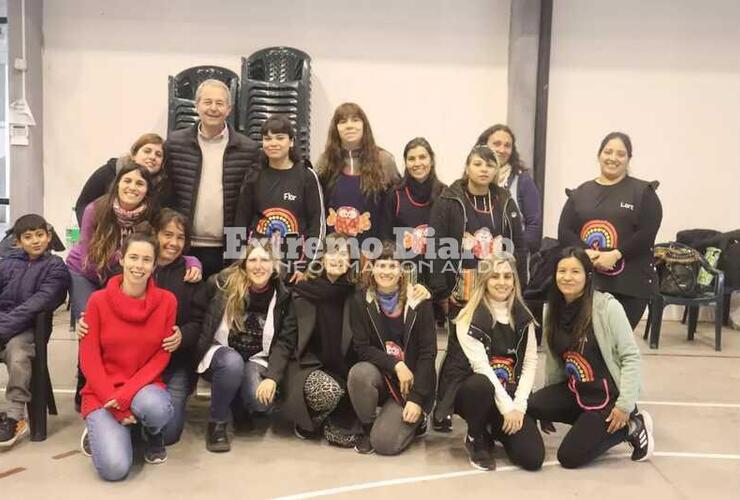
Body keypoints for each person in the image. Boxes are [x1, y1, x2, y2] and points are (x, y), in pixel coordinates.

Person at [67, 163, 198, 408]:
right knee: (89, 330)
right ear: (117, 184)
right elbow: (89, 254)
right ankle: (89, 389)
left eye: (140, 183)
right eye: (127, 181)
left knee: (166, 427)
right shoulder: (97, 209)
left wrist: (191, 259)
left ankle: (126, 393)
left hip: (121, 270)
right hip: (88, 270)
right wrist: (96, 309)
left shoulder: (150, 217)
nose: (133, 187)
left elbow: (168, 243)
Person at [76, 209, 205, 449]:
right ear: (154, 235)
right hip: (122, 366)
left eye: (180, 237)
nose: (174, 242)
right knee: (115, 461)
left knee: (169, 433)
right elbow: (101, 313)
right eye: (168, 234)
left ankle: (133, 428)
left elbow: (200, 323)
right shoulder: (122, 273)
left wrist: (182, 336)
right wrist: (86, 322)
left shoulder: (191, 274)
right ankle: (108, 427)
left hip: (170, 363)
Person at [527, 247, 654, 468]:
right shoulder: (551, 310)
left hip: (608, 396)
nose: (567, 277)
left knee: (569, 457)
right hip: (578, 391)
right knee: (534, 404)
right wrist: (549, 398)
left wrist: (624, 405)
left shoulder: (607, 307)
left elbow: (630, 357)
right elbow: (555, 361)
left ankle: (631, 426)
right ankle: (591, 427)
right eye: (562, 271)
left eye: (575, 271)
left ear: (587, 275)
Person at [429, 145, 527, 432]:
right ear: (467, 167)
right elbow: (436, 246)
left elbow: (519, 247)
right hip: (462, 286)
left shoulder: (506, 202)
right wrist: (440, 290)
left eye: (489, 165)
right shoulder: (449, 200)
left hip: (499, 287)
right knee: (459, 350)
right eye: (477, 164)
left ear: (496, 170)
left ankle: (499, 403)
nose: (484, 169)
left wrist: (519, 285)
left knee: (496, 347)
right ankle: (443, 408)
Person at [79, 232, 177, 481]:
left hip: (143, 387)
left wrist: (124, 397)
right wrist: (114, 401)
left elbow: (160, 357)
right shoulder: (97, 301)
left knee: (156, 409)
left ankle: (144, 430)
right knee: (114, 469)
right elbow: (89, 359)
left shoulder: (167, 302)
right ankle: (106, 428)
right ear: (121, 259)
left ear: (155, 265)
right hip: (103, 391)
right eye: (133, 257)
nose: (139, 265)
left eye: (146, 260)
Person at [436, 253, 543, 471]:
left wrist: (519, 407)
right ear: (484, 281)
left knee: (532, 458)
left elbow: (530, 362)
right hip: (475, 393)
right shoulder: (468, 317)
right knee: (480, 384)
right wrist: (507, 408)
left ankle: (494, 427)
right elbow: (482, 367)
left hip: (510, 395)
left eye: (507, 276)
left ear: (514, 281)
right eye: (495, 277)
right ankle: (476, 436)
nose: (502, 282)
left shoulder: (524, 317)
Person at [259, 233, 359, 447]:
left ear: (351, 261)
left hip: (342, 369)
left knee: (348, 390)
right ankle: (311, 421)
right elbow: (286, 341)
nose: (337, 258)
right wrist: (271, 377)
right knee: (330, 391)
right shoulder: (303, 292)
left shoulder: (355, 294)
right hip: (307, 367)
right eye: (332, 252)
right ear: (322, 258)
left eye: (343, 254)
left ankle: (326, 420)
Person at [194, 240, 293, 452]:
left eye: (264, 260)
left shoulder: (283, 295)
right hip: (221, 356)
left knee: (261, 403)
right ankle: (217, 423)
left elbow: (285, 340)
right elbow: (197, 311)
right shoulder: (221, 283)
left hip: (256, 359)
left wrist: (272, 378)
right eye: (253, 260)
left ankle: (238, 405)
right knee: (232, 363)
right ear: (244, 264)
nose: (258, 266)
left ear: (274, 265)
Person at [557, 132, 662, 329]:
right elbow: (564, 231)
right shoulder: (580, 193)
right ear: (599, 155)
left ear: (629, 159)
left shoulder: (643, 193)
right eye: (608, 152)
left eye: (621, 154)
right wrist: (586, 253)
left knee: (615, 345)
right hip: (587, 283)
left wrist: (616, 254)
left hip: (630, 285)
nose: (613, 158)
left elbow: (647, 234)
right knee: (584, 344)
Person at [347, 241, 436, 455]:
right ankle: (368, 427)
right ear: (372, 268)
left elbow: (428, 353)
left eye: (392, 266)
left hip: (412, 386)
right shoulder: (360, 300)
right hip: (385, 376)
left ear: (401, 270)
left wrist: (416, 398)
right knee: (359, 374)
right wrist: (396, 365)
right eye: (381, 265)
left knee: (385, 444)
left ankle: (418, 417)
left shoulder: (419, 300)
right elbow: (362, 348)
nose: (386, 271)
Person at [166, 78, 260, 278]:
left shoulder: (248, 148)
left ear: (229, 109)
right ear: (197, 105)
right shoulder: (175, 143)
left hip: (228, 247)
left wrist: (238, 251)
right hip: (184, 244)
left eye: (220, 103)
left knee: (224, 305)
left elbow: (250, 203)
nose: (213, 108)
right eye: (207, 102)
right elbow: (167, 192)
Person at [0, 214, 70, 448]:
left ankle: (14, 417)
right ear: (18, 242)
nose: (36, 241)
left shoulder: (56, 267)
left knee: (18, 356)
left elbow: (38, 304)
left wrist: (3, 329)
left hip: (29, 330)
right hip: (3, 324)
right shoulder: (7, 264)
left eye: (40, 235)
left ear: (49, 237)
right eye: (28, 237)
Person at [235, 114, 325, 282]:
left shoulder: (307, 176)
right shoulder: (254, 174)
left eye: (280, 138)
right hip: (259, 264)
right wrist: (237, 261)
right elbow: (240, 221)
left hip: (295, 266)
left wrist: (306, 264)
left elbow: (317, 224)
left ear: (291, 142)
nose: (273, 143)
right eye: (267, 138)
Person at [317, 102, 399, 243]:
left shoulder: (384, 161)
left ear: (364, 126)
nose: (349, 125)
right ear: (336, 128)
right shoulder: (325, 163)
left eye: (355, 120)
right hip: (336, 256)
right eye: (343, 121)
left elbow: (397, 206)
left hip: (373, 252)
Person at [383, 137, 446, 286]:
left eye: (422, 157)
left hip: (437, 277)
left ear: (431, 160)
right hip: (403, 278)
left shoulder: (446, 194)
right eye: (411, 159)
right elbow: (385, 239)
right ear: (405, 163)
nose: (417, 163)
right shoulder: (395, 195)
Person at [74, 133, 172, 225]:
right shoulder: (109, 171)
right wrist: (93, 232)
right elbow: (83, 204)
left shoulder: (163, 186)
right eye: (147, 151)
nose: (152, 157)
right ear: (134, 154)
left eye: (158, 154)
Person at [475, 124, 542, 254]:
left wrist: (513, 253)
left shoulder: (523, 181)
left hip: (511, 262)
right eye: (497, 144)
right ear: (483, 146)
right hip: (476, 258)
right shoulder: (469, 182)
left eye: (507, 145)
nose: (502, 150)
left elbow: (534, 227)